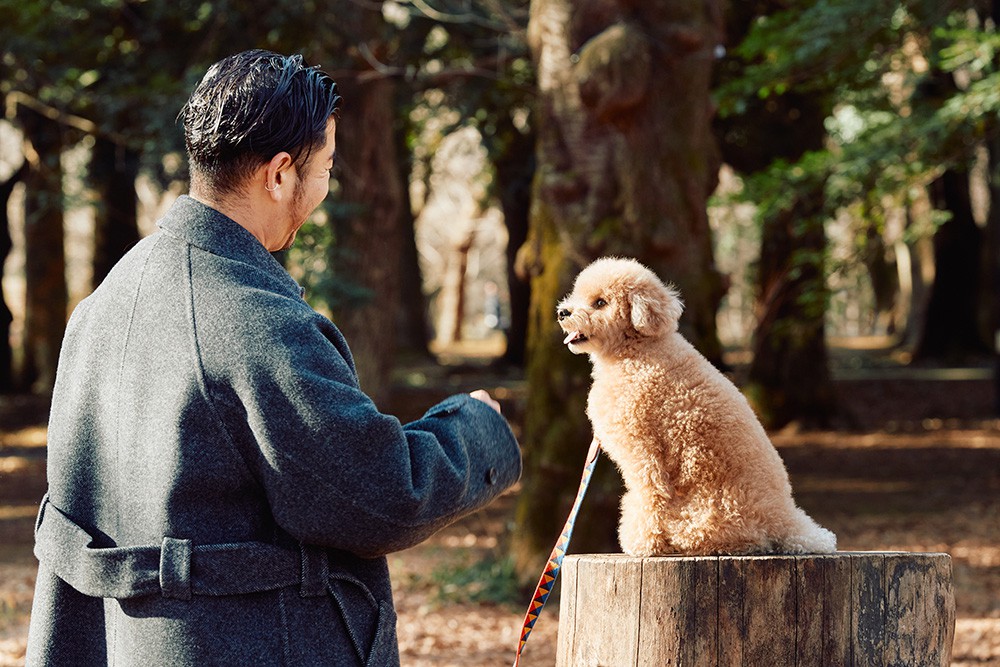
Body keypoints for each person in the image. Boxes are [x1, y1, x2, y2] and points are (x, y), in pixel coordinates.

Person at [26, 50, 521, 666]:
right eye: (328, 167)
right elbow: (379, 497)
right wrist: (478, 430)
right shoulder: (255, 322)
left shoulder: (102, 304)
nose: (326, 188)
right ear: (281, 173)